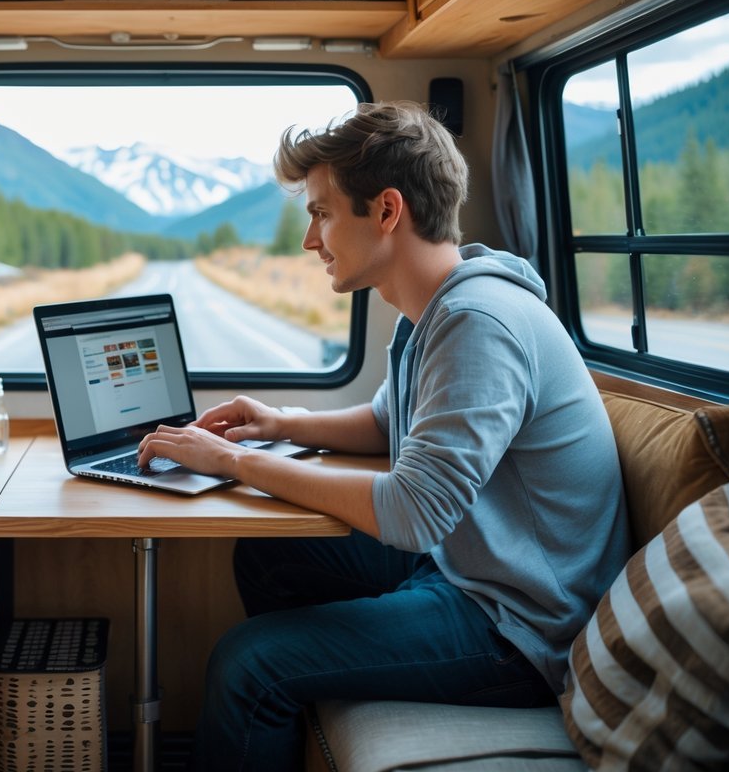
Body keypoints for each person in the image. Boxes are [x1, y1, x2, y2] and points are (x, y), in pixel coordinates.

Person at [137, 101, 630, 771]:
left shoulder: (478, 322)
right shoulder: (433, 309)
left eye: (321, 213)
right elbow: (387, 425)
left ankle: (284, 688)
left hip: (520, 628)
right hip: (473, 568)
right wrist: (278, 424)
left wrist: (232, 462)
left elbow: (412, 509)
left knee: (245, 665)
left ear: (387, 211)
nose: (311, 240)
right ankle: (315, 687)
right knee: (265, 555)